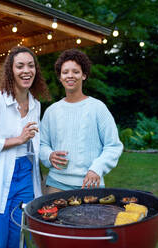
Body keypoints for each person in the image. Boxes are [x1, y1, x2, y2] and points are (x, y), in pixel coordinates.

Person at [0, 46, 49, 248]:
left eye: (31, 65)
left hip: (25, 176)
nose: (26, 70)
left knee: (17, 239)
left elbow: (35, 143)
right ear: (10, 71)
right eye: (20, 66)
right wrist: (17, 140)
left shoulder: (36, 104)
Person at [40, 48, 123, 194]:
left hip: (90, 184)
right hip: (56, 185)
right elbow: (41, 144)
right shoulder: (51, 111)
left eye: (76, 72)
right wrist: (48, 155)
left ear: (84, 75)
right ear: (60, 77)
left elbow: (113, 146)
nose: (70, 76)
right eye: (65, 72)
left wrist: (96, 169)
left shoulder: (98, 108)